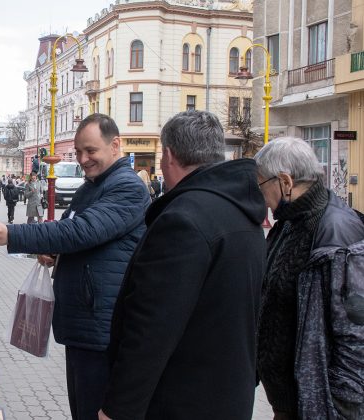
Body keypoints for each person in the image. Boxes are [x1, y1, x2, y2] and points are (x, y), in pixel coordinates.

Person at [0, 114, 150, 420]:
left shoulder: (127, 187)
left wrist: (12, 234)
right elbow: (79, 235)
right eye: (79, 151)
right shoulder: (94, 185)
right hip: (84, 321)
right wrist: (55, 252)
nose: (83, 159)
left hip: (102, 326)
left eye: (90, 151)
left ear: (115, 145)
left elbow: (83, 231)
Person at [99, 110, 266, 420]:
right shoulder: (244, 213)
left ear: (169, 156)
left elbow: (152, 327)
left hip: (181, 399)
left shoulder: (182, 219)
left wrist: (118, 408)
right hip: (228, 395)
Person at [253, 137, 364, 419]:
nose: (260, 195)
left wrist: (341, 405)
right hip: (287, 400)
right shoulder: (289, 222)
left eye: (262, 185)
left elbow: (355, 334)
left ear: (285, 182)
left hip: (315, 405)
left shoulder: (337, 230)